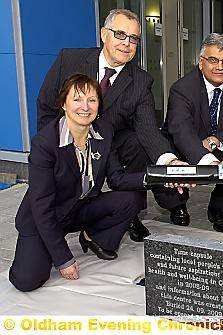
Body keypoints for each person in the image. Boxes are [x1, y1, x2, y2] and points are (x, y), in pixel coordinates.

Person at [37, 9, 188, 243]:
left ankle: (129, 212)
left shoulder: (141, 80)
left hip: (113, 141)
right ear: (103, 34)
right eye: (120, 34)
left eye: (133, 38)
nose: (126, 43)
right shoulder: (69, 60)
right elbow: (46, 107)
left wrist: (170, 162)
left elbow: (148, 128)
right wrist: (49, 151)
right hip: (69, 139)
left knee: (139, 143)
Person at [9, 74, 148, 292]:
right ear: (63, 104)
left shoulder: (103, 131)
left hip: (78, 208)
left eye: (92, 100)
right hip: (44, 217)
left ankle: (91, 237)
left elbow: (117, 179)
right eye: (77, 99)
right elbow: (41, 207)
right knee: (26, 281)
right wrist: (64, 259)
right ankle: (44, 248)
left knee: (132, 199)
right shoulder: (45, 143)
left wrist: (155, 180)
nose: (85, 107)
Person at [161, 33, 223, 233]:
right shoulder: (182, 89)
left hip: (215, 144)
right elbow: (181, 131)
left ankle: (218, 211)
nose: (220, 67)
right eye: (213, 60)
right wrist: (206, 159)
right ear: (201, 62)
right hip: (185, 146)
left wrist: (216, 140)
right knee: (170, 156)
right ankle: (178, 205)